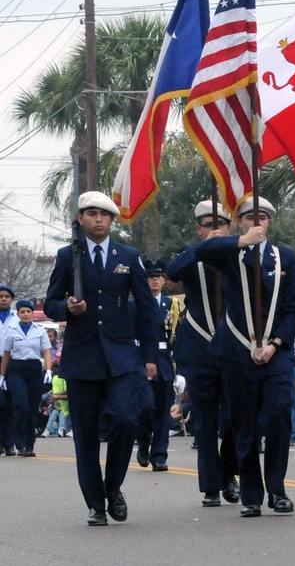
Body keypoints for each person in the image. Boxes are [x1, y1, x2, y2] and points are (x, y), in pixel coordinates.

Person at [43, 191, 159, 526]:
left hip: (121, 355)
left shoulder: (128, 255)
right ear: (80, 220)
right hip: (82, 358)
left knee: (125, 420)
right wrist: (66, 307)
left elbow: (148, 309)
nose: (98, 219)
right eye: (91, 214)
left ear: (111, 221)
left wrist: (149, 354)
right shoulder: (68, 256)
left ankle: (114, 487)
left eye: (104, 215)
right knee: (86, 434)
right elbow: (51, 302)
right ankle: (95, 503)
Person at [195, 197, 295, 518]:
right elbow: (200, 253)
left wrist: (276, 342)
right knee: (243, 424)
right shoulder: (230, 253)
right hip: (238, 351)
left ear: (270, 221)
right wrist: (241, 241)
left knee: (278, 416)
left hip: (276, 352)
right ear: (239, 222)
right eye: (248, 217)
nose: (256, 222)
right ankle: (251, 495)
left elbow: (294, 307)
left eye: (262, 217)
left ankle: (277, 489)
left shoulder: (285, 258)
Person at [165, 200, 240, 508]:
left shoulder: (238, 255)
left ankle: (229, 474)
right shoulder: (191, 257)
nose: (215, 229)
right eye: (208, 225)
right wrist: (203, 247)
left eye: (220, 224)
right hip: (199, 347)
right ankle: (211, 485)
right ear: (199, 228)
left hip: (234, 345)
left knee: (236, 417)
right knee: (205, 420)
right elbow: (171, 272)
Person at [133, 258, 177, 473]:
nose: (155, 281)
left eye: (158, 277)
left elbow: (178, 335)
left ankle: (159, 455)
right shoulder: (135, 303)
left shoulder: (171, 305)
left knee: (162, 411)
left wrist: (182, 368)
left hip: (165, 360)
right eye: (151, 277)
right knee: (146, 407)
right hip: (141, 359)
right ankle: (143, 442)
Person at [0, 300, 53, 456]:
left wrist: (49, 370)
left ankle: (30, 445)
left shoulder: (40, 330)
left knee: (32, 408)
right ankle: (19, 442)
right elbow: (7, 354)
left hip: (34, 369)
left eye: (28, 312)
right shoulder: (12, 331)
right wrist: (2, 376)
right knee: (21, 406)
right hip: (16, 369)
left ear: (32, 314)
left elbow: (47, 351)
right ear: (18, 314)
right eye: (22, 312)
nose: (25, 314)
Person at [0, 285, 15, 455]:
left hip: (12, 363)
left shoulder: (16, 318)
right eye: (1, 296)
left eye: (6, 296)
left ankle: (9, 443)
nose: (3, 299)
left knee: (10, 404)